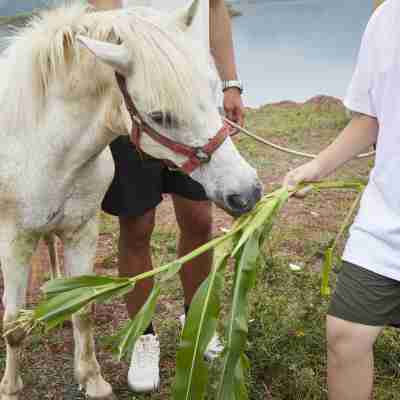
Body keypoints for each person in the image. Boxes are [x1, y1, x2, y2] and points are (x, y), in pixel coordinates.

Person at [89, 0, 245, 393]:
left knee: (199, 219)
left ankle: (197, 322)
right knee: (137, 224)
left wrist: (230, 82)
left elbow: (215, 8)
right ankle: (144, 336)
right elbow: (104, 19)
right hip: (139, 105)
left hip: (192, 100)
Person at [283, 1, 400, 399]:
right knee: (345, 335)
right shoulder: (385, 19)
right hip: (387, 220)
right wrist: (316, 166)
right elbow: (369, 117)